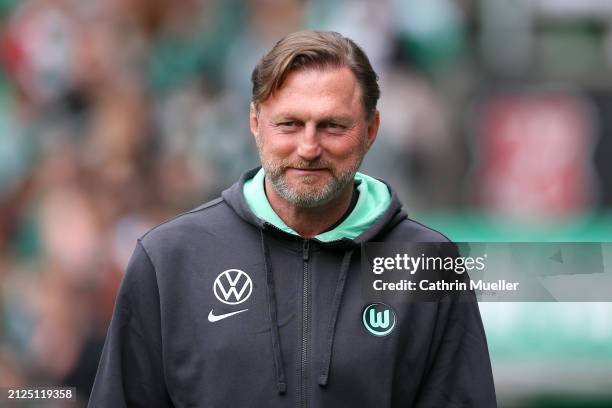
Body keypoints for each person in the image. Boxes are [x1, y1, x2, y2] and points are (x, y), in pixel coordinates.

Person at [88, 30, 496, 407]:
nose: (308, 147)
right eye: (289, 123)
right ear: (255, 124)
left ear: (371, 130)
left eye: (333, 126)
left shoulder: (426, 263)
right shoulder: (170, 258)